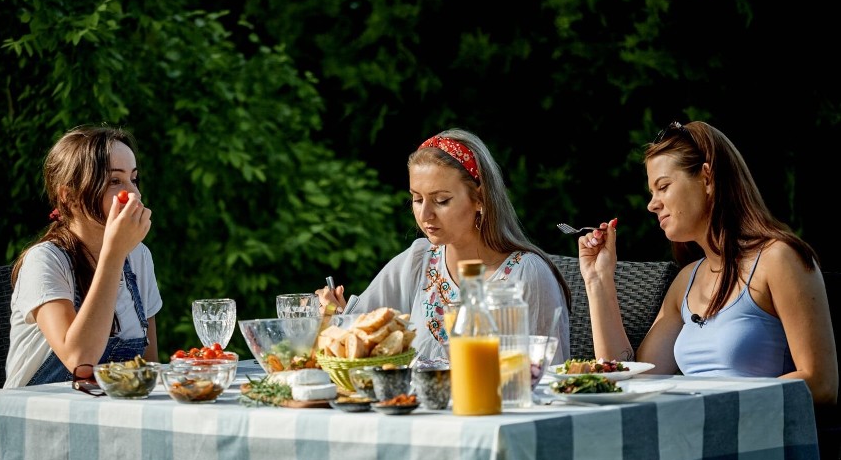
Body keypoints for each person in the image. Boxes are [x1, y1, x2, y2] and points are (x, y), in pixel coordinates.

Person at [579, 120, 837, 404]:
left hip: (756, 438)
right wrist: (598, 281)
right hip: (696, 435)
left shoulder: (778, 259)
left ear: (707, 178)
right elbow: (632, 382)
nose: (652, 204)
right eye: (652, 193)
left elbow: (820, 382)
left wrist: (713, 407)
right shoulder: (686, 282)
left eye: (663, 186)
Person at [316, 128, 571, 367]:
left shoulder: (526, 275)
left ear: (479, 198)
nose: (425, 214)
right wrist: (334, 315)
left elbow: (547, 379)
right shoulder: (419, 260)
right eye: (417, 199)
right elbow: (357, 338)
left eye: (441, 200)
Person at [5, 125, 162, 387]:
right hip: (39, 418)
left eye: (133, 179)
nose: (134, 194)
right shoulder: (45, 260)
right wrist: (114, 253)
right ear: (70, 196)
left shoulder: (138, 257)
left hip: (112, 412)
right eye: (115, 181)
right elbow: (80, 360)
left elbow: (148, 367)